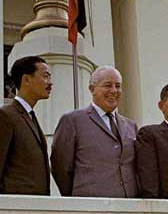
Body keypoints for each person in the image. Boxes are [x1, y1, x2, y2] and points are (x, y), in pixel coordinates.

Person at [51, 66, 138, 198]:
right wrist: (75, 195)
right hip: (90, 205)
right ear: (92, 89)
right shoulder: (72, 120)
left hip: (129, 205)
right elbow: (60, 166)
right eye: (107, 85)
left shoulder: (131, 126)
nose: (114, 90)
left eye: (118, 86)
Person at [0, 56, 52, 195]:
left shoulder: (30, 117)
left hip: (35, 207)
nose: (50, 83)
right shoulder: (4, 116)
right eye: (45, 76)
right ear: (26, 79)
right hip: (13, 209)